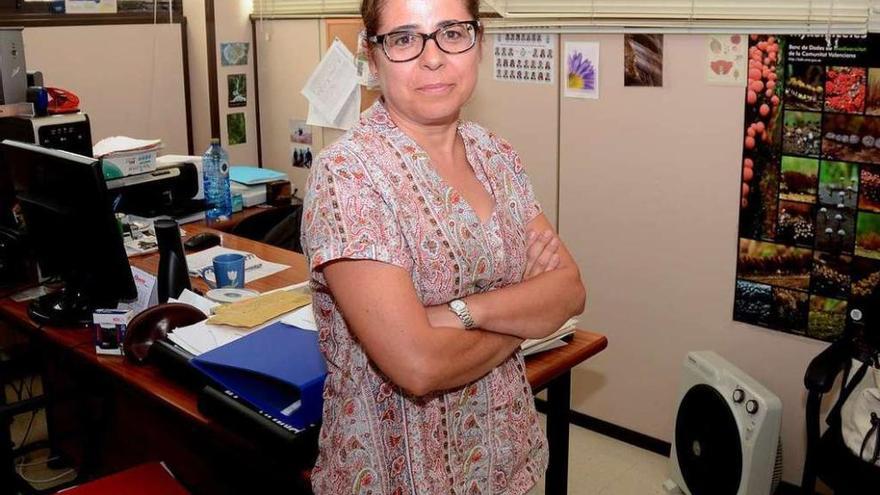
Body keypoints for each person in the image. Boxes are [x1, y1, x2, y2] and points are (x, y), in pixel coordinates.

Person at [301, 0, 586, 493]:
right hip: (397, 475)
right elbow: (418, 365)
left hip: (507, 461)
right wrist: (526, 319)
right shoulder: (349, 175)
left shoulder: (496, 155)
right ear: (373, 56)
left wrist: (457, 313)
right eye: (405, 38)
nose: (433, 57)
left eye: (452, 32)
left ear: (478, 42)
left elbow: (570, 291)